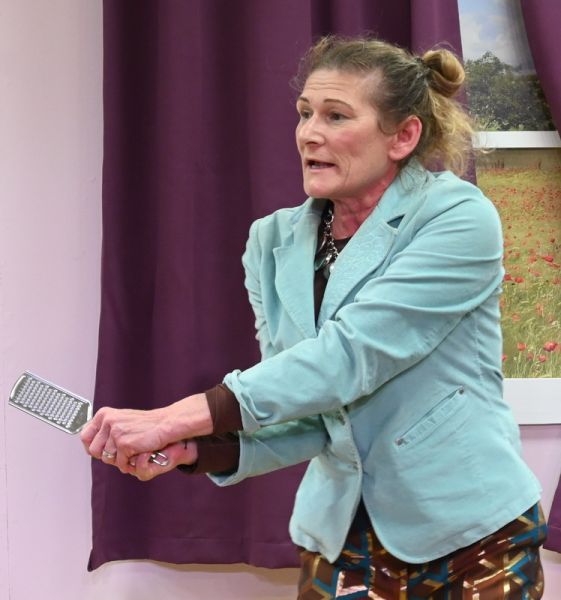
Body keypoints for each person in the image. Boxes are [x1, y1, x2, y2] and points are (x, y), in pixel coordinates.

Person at [81, 36, 546, 598]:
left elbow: (351, 355)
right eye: (305, 113)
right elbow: (305, 400)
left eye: (336, 116)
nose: (309, 133)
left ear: (403, 136)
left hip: (471, 532)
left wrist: (172, 419)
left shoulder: (458, 217)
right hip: (340, 535)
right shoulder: (271, 241)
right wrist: (203, 448)